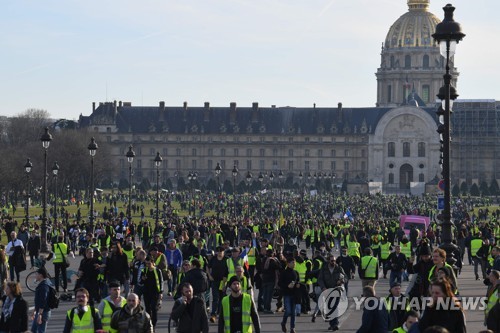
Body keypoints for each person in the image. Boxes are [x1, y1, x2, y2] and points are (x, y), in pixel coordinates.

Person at [317, 253, 345, 330]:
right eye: (332, 261)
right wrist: (323, 288)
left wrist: (341, 281)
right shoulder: (324, 269)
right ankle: (332, 324)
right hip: (327, 291)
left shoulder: (339, 268)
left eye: (335, 261)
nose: (333, 262)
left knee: (334, 307)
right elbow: (320, 279)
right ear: (328, 261)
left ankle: (335, 324)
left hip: (336, 290)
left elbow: (345, 278)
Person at [279, 257, 300, 333]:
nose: (294, 264)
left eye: (294, 263)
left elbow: (298, 281)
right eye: (292, 263)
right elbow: (280, 283)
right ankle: (283, 323)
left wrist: (297, 285)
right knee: (288, 311)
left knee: (293, 312)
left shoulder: (296, 272)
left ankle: (292, 328)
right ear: (288, 263)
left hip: (294, 294)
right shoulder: (284, 272)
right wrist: (287, 286)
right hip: (287, 294)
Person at [141, 255, 163, 328]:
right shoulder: (144, 270)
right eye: (146, 264)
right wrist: (143, 279)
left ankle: (153, 324)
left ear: (153, 262)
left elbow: (161, 281)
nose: (147, 265)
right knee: (147, 309)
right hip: (146, 293)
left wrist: (161, 292)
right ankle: (148, 324)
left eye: (149, 264)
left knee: (154, 308)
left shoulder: (157, 271)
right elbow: (141, 282)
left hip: (155, 293)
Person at [31, 267, 51, 333]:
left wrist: (40, 314)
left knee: (40, 331)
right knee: (33, 330)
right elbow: (38, 300)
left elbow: (43, 301)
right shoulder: (44, 284)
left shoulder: (44, 286)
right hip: (40, 311)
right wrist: (35, 310)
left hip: (43, 312)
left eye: (36, 274)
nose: (35, 276)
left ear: (41, 275)